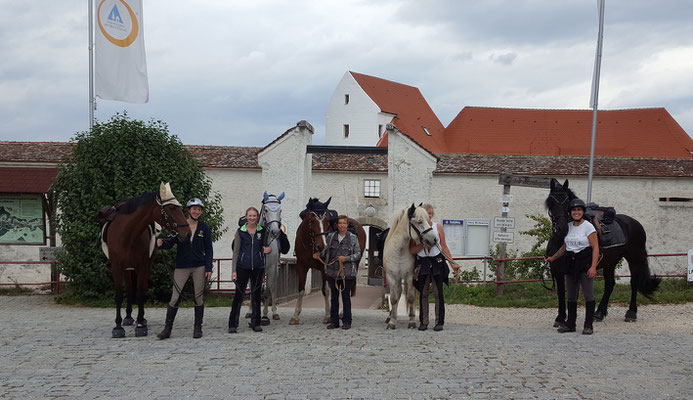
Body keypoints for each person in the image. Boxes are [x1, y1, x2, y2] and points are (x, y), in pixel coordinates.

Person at [156, 198, 213, 339]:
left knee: (198, 297)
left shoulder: (204, 228)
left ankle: (197, 328)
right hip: (182, 266)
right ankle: (167, 329)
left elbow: (209, 249)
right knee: (175, 297)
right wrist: (161, 243)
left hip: (199, 266)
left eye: (199, 209)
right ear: (188, 210)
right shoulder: (179, 227)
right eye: (194, 209)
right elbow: (170, 242)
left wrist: (208, 267)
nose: (196, 211)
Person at [545, 198, 600, 335]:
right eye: (574, 210)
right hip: (570, 263)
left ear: (583, 212)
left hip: (584, 262)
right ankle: (571, 324)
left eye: (579, 210)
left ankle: (588, 325)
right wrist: (553, 257)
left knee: (588, 294)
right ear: (570, 212)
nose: (576, 212)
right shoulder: (568, 226)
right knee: (571, 295)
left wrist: (593, 267)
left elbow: (595, 248)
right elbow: (565, 247)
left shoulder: (588, 226)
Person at [409, 204, 461, 332]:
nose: (429, 216)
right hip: (423, 262)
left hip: (437, 261)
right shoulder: (416, 230)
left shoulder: (437, 228)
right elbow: (411, 249)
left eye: (431, 214)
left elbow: (444, 246)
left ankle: (439, 322)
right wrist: (423, 244)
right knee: (424, 293)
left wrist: (452, 263)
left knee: (439, 294)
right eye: (427, 214)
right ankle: (424, 321)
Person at [228, 207, 271, 333]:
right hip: (242, 267)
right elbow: (235, 252)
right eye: (250, 216)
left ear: (257, 217)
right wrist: (233, 271)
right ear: (246, 217)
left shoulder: (262, 231)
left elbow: (266, 247)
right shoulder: (240, 232)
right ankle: (232, 324)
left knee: (256, 295)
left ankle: (256, 323)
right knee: (238, 296)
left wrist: (268, 250)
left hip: (258, 267)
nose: (252, 218)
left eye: (254, 216)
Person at [313, 215, 361, 330]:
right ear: (337, 225)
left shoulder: (353, 238)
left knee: (346, 297)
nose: (342, 225)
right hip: (332, 273)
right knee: (334, 298)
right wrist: (319, 255)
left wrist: (347, 259)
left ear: (347, 224)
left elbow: (358, 254)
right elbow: (327, 252)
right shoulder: (330, 237)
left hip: (347, 273)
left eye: (344, 223)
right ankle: (334, 321)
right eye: (340, 223)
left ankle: (347, 321)